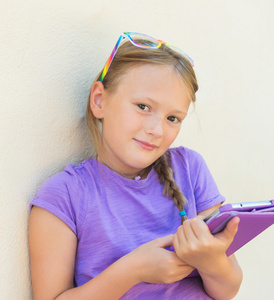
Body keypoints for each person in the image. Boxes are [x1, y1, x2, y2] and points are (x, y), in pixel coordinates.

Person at [28, 32, 242, 299]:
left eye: (173, 118)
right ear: (99, 100)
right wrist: (133, 270)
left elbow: (228, 288)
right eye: (143, 106)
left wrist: (211, 261)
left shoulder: (189, 168)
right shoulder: (65, 195)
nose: (156, 130)